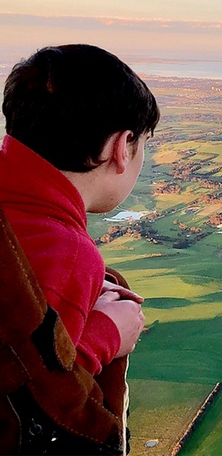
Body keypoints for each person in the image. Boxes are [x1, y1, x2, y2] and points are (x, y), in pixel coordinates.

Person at [0, 44, 160, 453]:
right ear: (122, 148)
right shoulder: (65, 254)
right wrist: (109, 333)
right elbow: (42, 407)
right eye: (144, 144)